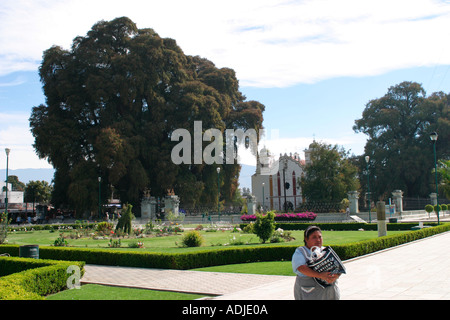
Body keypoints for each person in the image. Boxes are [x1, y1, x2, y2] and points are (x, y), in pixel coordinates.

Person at [292, 225, 340, 300]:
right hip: (309, 291)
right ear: (306, 239)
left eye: (319, 237)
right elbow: (301, 268)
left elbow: (338, 267)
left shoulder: (326, 251)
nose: (318, 240)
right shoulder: (301, 252)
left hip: (329, 292)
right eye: (314, 237)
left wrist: (336, 276)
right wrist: (320, 275)